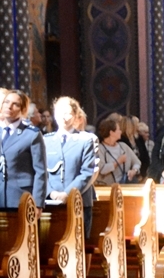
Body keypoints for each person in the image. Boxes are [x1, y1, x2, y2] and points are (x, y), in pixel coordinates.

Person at [43, 97, 98, 238]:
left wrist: (67, 194)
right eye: (60, 113)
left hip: (79, 201)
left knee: (78, 243)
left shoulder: (85, 140)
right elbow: (40, 171)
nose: (64, 117)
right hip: (51, 202)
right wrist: (51, 192)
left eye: (68, 113)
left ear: (75, 116)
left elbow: (87, 172)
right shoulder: (46, 140)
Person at [0, 89, 47, 210]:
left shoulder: (31, 134)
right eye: (6, 102)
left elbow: (40, 172)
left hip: (20, 198)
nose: (9, 106)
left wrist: (37, 204)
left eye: (15, 104)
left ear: (22, 109)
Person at [96, 116, 141, 184]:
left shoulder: (123, 146)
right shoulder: (100, 149)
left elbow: (137, 162)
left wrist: (134, 170)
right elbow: (102, 170)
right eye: (119, 129)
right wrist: (118, 162)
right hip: (107, 186)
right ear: (111, 132)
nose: (121, 132)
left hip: (125, 185)